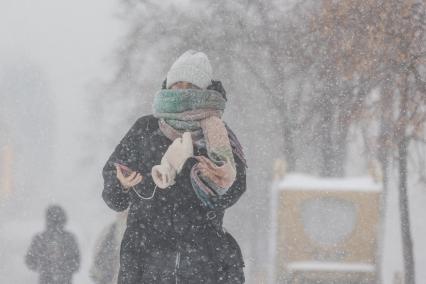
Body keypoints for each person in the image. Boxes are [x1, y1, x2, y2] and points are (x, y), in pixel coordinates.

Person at [102, 49, 247, 283]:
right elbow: (113, 197)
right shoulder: (145, 129)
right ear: (167, 87)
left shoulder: (218, 137)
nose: (182, 92)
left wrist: (223, 181)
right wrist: (121, 184)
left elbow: (233, 192)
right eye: (177, 85)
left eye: (190, 86)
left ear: (203, 91)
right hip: (145, 264)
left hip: (202, 264)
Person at [25, 205, 80, 284]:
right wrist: (64, 269)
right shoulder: (69, 238)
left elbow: (30, 260)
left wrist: (44, 267)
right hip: (64, 280)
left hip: (47, 280)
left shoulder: (40, 238)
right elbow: (76, 262)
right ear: (64, 219)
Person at [90, 211, 128, 284]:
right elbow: (98, 250)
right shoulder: (110, 230)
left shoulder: (110, 230)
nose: (123, 214)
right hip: (109, 274)